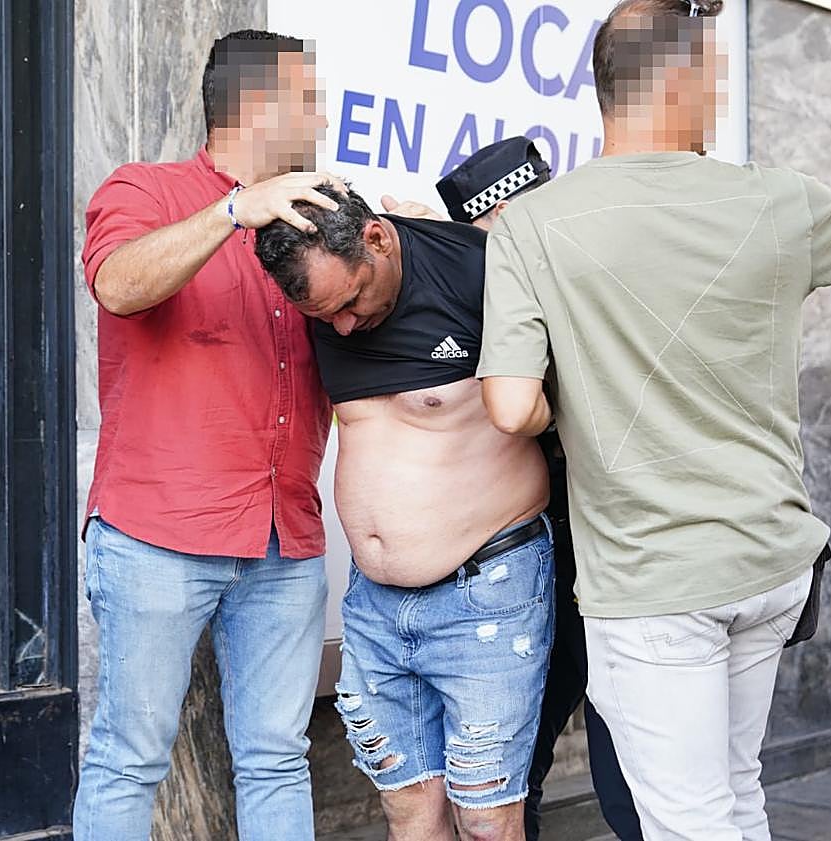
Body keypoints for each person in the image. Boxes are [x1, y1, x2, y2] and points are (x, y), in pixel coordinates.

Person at [477, 1, 831, 839]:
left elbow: (512, 404)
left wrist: (583, 393)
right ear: (680, 82)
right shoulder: (771, 198)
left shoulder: (530, 227)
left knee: (691, 821)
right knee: (736, 797)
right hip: (768, 564)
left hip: (656, 583)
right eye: (712, 78)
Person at [73, 29, 346, 841]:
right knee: (130, 756)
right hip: (158, 537)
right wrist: (233, 212)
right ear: (261, 106)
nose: (322, 115)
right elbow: (118, 285)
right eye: (310, 98)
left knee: (276, 757)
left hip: (285, 541)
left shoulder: (320, 216)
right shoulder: (145, 189)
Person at [255, 189, 555, 841]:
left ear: (378, 238)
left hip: (488, 593)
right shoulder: (327, 294)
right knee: (410, 815)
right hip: (375, 605)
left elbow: (576, 387)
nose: (338, 326)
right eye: (320, 314)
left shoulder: (480, 271)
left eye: (349, 302)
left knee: (487, 819)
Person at [436, 137, 644, 841]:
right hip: (538, 558)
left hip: (622, 550)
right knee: (512, 762)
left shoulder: (601, 275)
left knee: (637, 766)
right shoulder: (474, 299)